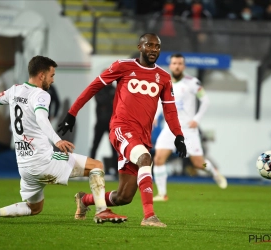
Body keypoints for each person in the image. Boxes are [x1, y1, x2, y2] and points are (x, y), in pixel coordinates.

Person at [58, 33, 187, 227]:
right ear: (140, 46)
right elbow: (94, 87)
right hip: (121, 128)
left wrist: (179, 135)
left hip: (142, 137)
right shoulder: (123, 66)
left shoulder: (164, 77)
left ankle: (84, 200)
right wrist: (72, 112)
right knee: (146, 158)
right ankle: (149, 216)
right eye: (149, 45)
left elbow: (170, 109)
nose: (153, 50)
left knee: (124, 197)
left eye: (157, 47)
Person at [0, 56, 127, 224]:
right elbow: (41, 118)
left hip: (25, 167)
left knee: (34, 208)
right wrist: (57, 140)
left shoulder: (15, 90)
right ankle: (102, 211)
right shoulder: (41, 95)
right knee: (96, 166)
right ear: (41, 75)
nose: (53, 80)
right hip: (44, 161)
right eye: (51, 75)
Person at [152, 53, 227, 202]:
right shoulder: (164, 82)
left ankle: (213, 170)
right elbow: (162, 102)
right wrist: (155, 116)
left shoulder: (192, 82)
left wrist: (196, 119)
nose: (177, 66)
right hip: (170, 129)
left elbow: (206, 101)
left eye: (180, 63)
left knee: (199, 164)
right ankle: (162, 194)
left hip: (188, 130)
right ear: (171, 65)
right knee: (159, 159)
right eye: (174, 63)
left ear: (184, 66)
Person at [90, 83, 117, 175]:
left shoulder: (114, 89)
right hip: (100, 123)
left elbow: (117, 102)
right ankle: (90, 167)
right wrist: (110, 99)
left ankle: (116, 170)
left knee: (114, 147)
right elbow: (100, 100)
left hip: (111, 124)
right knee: (95, 146)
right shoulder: (99, 89)